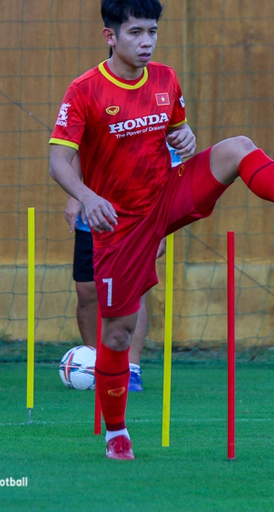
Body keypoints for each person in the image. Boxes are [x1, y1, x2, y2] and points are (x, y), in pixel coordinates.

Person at [48, 0, 274, 460]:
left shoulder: (167, 80)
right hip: (119, 222)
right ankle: (116, 435)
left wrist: (184, 136)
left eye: (152, 31)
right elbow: (58, 161)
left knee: (237, 146)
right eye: (135, 32)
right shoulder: (85, 90)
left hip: (166, 194)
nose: (146, 41)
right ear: (110, 36)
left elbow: (174, 131)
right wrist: (86, 196)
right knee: (116, 332)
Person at [65, 144, 182, 392]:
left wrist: (163, 228)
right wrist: (74, 197)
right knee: (86, 291)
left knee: (134, 293)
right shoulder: (95, 105)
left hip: (139, 221)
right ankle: (93, 364)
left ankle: (132, 369)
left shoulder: (161, 114)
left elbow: (172, 173)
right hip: (94, 217)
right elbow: (76, 151)